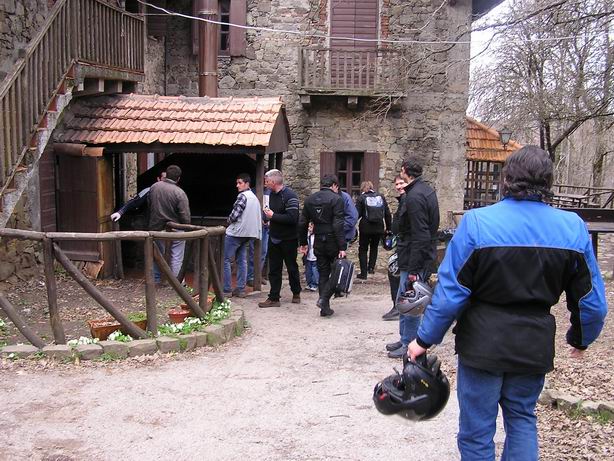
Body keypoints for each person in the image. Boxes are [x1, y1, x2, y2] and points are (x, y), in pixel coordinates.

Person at [408, 146, 607, 460]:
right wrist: (581, 338)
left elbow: (450, 293)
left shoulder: (477, 223)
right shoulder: (572, 228)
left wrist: (424, 339)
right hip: (533, 344)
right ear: (548, 181)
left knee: (476, 431)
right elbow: (590, 300)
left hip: (482, 343)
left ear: (507, 179)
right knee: (522, 419)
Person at [386, 157, 439, 359]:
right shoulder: (423, 191)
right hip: (413, 255)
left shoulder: (415, 196)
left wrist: (414, 270)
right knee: (405, 300)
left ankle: (409, 342)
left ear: (405, 171)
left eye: (402, 171)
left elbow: (421, 233)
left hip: (414, 258)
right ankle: (404, 339)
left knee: (411, 302)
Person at [299, 174, 346, 316]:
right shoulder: (336, 199)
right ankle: (324, 299)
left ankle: (324, 308)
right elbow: (338, 224)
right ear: (334, 185)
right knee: (336, 272)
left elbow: (302, 223)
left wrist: (303, 243)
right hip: (332, 240)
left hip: (318, 239)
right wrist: (342, 246)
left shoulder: (310, 200)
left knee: (323, 273)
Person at [258, 169, 302, 308]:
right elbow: (272, 214)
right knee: (274, 269)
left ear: (273, 182)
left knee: (291, 267)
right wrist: (268, 219)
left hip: (289, 239)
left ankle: (296, 292)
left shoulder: (290, 196)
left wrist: (273, 216)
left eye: (267, 181)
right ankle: (274, 297)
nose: (265, 184)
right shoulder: (271, 195)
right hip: (274, 237)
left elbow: (293, 218)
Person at [147, 165, 191, 283]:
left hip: (156, 227)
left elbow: (149, 205)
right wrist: (186, 226)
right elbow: (185, 216)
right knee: (176, 257)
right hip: (175, 229)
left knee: (157, 255)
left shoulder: (154, 187)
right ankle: (176, 283)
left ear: (166, 174)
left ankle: (156, 280)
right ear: (178, 178)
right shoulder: (179, 193)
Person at [223, 173, 262, 298]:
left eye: (240, 183)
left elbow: (235, 215)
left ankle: (226, 289)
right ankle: (240, 289)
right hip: (248, 234)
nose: (237, 185)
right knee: (242, 261)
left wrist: (227, 222)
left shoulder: (242, 196)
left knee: (225, 260)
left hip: (236, 232)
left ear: (247, 184)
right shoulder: (254, 197)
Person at [382, 175, 408, 321]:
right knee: (395, 273)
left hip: (406, 245)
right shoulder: (403, 199)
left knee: (396, 273)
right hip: (401, 243)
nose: (398, 186)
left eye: (401, 183)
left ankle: (399, 307)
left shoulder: (407, 199)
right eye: (396, 184)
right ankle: (397, 306)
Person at [355, 181, 391, 279]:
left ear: (362, 188)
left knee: (363, 249)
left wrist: (351, 227)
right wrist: (388, 228)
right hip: (378, 227)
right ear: (371, 187)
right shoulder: (380, 197)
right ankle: (371, 268)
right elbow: (387, 214)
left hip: (365, 228)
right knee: (374, 247)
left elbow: (357, 214)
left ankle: (363, 273)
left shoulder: (361, 198)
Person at [247, 186, 271, 287]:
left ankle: (258, 275)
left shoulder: (271, 192)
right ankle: (251, 277)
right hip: (256, 225)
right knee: (253, 251)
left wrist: (270, 220)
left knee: (263, 252)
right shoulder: (253, 191)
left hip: (266, 226)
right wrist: (258, 219)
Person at [303, 222, 319, 291]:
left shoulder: (316, 236)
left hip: (315, 256)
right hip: (308, 256)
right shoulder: (307, 235)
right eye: (308, 227)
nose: (309, 229)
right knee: (308, 271)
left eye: (311, 227)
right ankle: (309, 283)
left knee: (315, 271)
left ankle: (315, 284)